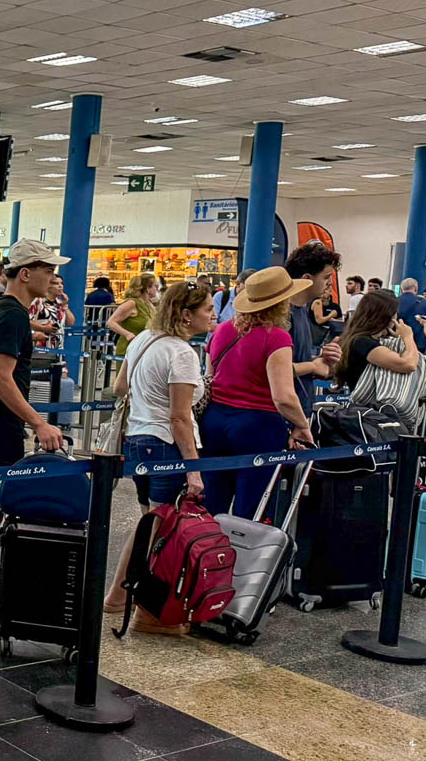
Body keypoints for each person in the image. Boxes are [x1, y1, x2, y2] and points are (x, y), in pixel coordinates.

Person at [102, 281, 216, 632]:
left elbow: (120, 387)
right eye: (207, 310)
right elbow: (180, 417)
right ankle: (148, 615)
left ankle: (117, 598)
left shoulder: (141, 340)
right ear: (185, 314)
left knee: (148, 524)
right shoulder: (182, 354)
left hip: (137, 438)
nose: (213, 316)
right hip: (166, 444)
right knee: (163, 530)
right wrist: (194, 471)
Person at [0, 240, 68, 547]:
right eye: (47, 269)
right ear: (24, 274)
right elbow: (1, 379)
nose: (52, 276)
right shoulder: (12, 315)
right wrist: (39, 422)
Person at [198, 267, 316, 519]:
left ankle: (208, 554)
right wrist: (302, 425)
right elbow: (283, 396)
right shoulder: (277, 338)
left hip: (215, 420)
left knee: (211, 505)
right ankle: (244, 557)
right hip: (258, 426)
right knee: (252, 510)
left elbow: (211, 375)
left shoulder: (222, 330)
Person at [284, 242, 342, 416]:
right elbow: (273, 370)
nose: (329, 283)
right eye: (326, 277)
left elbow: (294, 359)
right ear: (307, 279)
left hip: (299, 408)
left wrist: (322, 359)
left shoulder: (301, 309)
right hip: (282, 413)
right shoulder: (282, 316)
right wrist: (313, 366)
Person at [337, 289, 420, 395]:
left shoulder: (361, 339)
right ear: (386, 316)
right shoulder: (363, 342)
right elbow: (408, 364)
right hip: (367, 407)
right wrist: (408, 336)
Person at [106, 273, 159, 357]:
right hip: (129, 350)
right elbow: (111, 322)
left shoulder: (149, 304)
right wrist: (127, 334)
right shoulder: (131, 303)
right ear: (147, 288)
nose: (157, 290)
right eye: (155, 286)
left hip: (145, 349)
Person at [29, 274, 74, 349]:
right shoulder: (38, 301)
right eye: (55, 283)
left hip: (58, 347)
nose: (60, 286)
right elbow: (27, 320)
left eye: (61, 283)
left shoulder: (59, 303)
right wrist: (43, 328)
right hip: (40, 346)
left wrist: (65, 305)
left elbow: (70, 323)